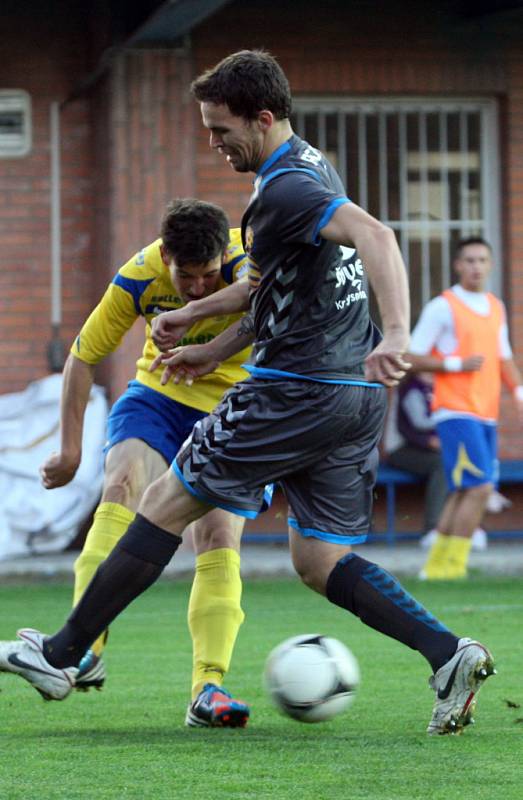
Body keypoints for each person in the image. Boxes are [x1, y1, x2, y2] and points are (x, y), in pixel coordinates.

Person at [0, 51, 495, 736]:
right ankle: (447, 654)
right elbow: (268, 291)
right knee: (317, 560)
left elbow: (376, 235)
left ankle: (60, 655)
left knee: (164, 501)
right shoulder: (309, 169)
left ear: (262, 119)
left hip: (294, 390)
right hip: (350, 401)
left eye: (220, 129)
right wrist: (201, 333)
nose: (214, 143)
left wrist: (397, 332)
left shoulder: (287, 190)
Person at [38, 197, 256, 727]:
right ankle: (83, 649)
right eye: (188, 278)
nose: (200, 287)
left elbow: (258, 297)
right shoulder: (138, 276)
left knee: (217, 536)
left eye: (208, 277)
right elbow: (84, 356)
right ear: (165, 256)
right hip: (158, 398)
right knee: (120, 486)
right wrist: (70, 449)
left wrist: (189, 314)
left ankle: (209, 688)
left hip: (235, 405)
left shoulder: (246, 258)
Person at [408, 237, 523, 580]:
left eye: (482, 260)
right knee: (480, 488)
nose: (476, 266)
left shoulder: (496, 306)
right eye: (470, 260)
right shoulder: (443, 306)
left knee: (465, 489)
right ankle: (454, 567)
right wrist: (456, 365)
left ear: (491, 264)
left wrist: (518, 393)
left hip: (486, 412)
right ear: (458, 265)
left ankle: (436, 568)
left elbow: (503, 358)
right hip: (455, 411)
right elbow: (410, 357)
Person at [383, 372, 448, 536]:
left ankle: (467, 528)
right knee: (442, 464)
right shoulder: (410, 388)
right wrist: (428, 442)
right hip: (400, 449)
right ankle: (432, 529)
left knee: (456, 461)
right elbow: (408, 428)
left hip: (425, 449)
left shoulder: (439, 385)